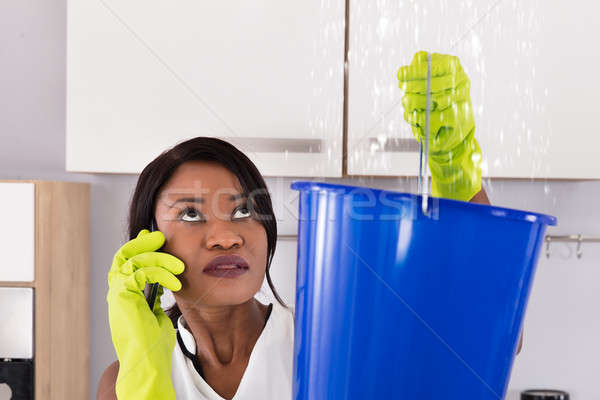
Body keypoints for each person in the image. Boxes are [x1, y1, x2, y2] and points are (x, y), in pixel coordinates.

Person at [97, 52, 518, 400]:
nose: (228, 237)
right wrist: (145, 379)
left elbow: (486, 341)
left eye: (243, 210)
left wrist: (459, 177)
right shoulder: (129, 380)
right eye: (190, 213)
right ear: (146, 244)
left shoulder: (335, 346)